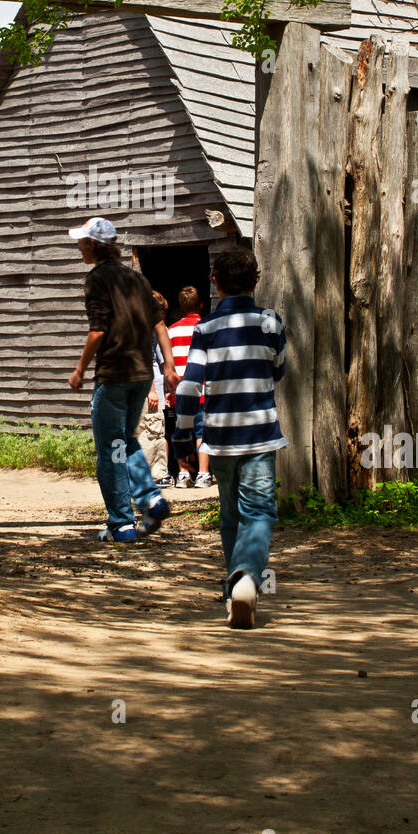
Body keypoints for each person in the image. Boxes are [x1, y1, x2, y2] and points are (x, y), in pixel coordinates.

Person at [172, 247, 287, 628]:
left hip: (219, 440)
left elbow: (189, 388)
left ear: (215, 283)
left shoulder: (205, 330)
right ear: (257, 280)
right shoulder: (270, 323)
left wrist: (184, 438)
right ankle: (245, 580)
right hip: (260, 435)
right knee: (258, 512)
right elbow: (280, 369)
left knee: (230, 513)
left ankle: (232, 586)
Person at [67, 217, 179, 543]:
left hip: (114, 375)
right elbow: (160, 326)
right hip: (142, 376)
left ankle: (121, 524)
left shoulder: (97, 280)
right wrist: (169, 367)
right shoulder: (139, 280)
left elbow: (98, 330)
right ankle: (151, 499)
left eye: (82, 241)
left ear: (93, 245)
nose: (79, 246)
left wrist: (79, 370)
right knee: (125, 441)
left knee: (109, 449)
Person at [166, 286, 211, 488]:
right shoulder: (207, 328)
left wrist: (169, 390)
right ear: (200, 305)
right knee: (202, 433)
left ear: (180, 307)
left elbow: (168, 363)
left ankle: (183, 475)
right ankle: (203, 474)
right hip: (202, 389)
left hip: (180, 390)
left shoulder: (171, 331)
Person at [135, 290, 169, 485]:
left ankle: (154, 475)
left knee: (148, 431)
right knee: (152, 433)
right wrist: (152, 390)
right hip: (149, 391)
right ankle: (148, 475)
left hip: (145, 390)